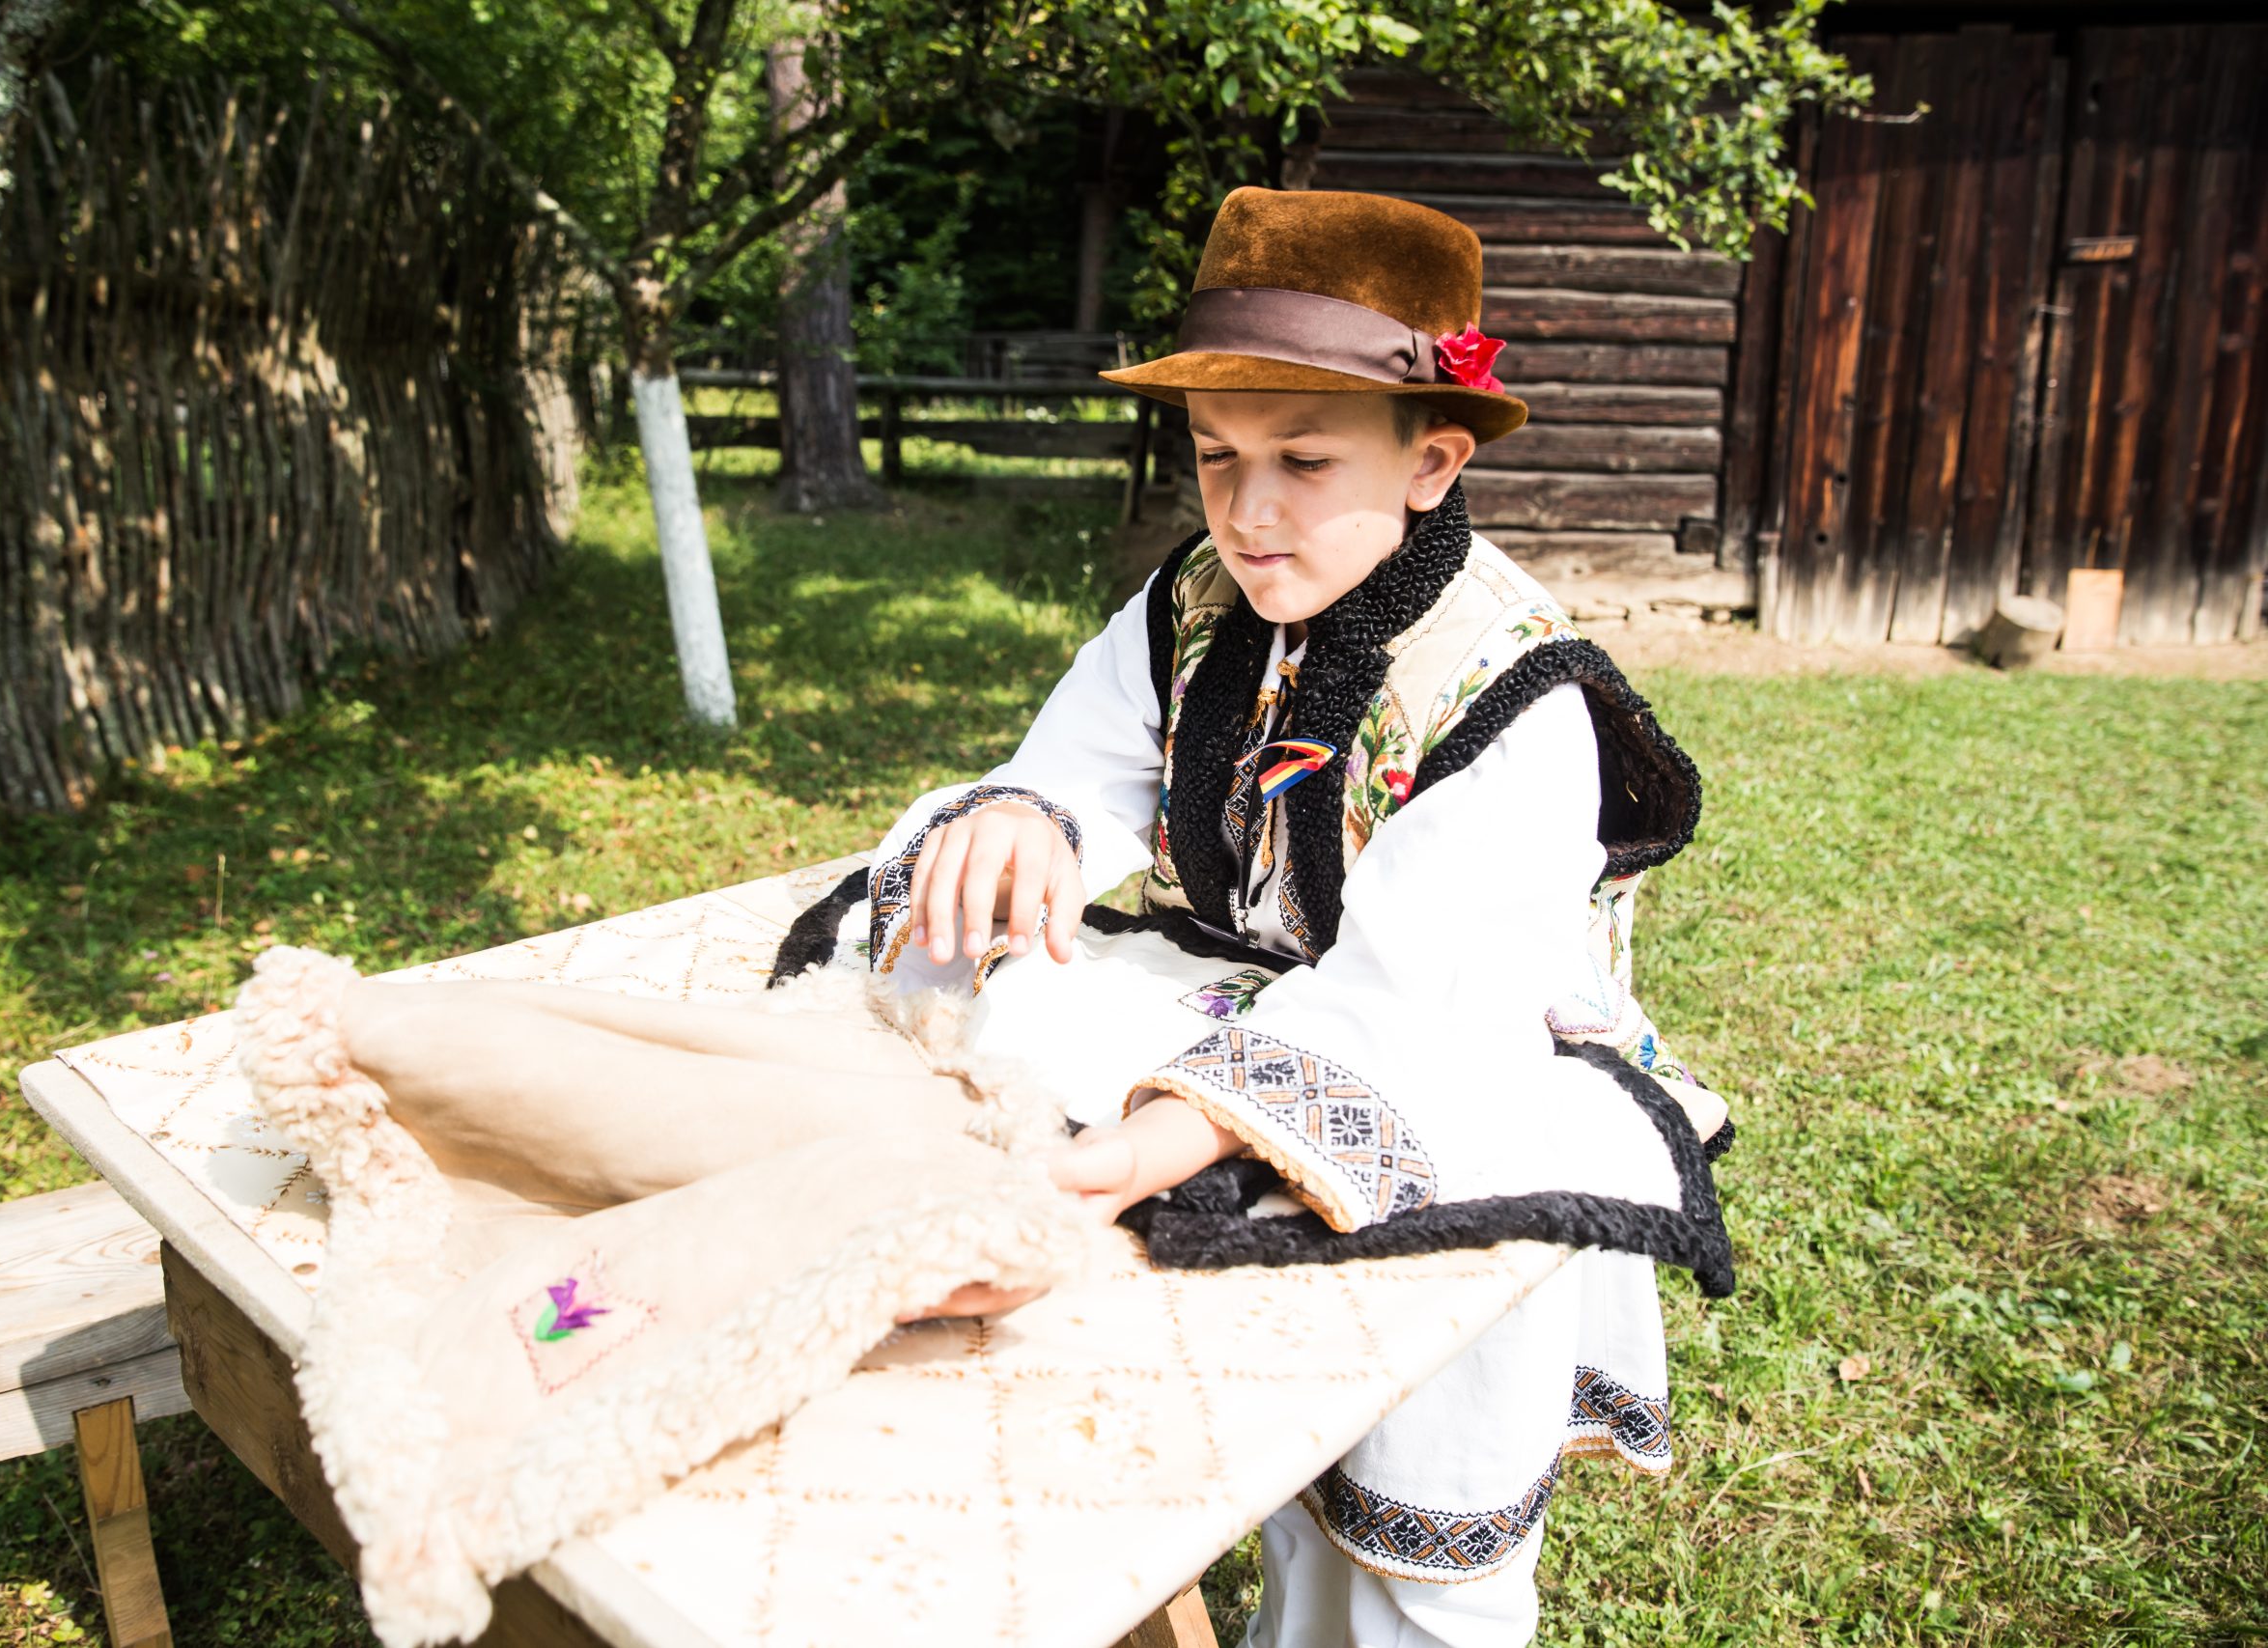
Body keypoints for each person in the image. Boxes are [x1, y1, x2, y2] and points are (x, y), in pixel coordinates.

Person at [237, 184, 1734, 1648]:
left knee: (1418, 1487)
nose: (1248, 508)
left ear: (1432, 460)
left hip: (1473, 1065)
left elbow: (1426, 996)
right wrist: (1029, 818)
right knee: (996, 1078)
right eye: (1216, 455)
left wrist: (1156, 1142)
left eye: (1303, 458)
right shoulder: (1197, 604)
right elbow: (1078, 763)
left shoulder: (1514, 698)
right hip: (1267, 983)